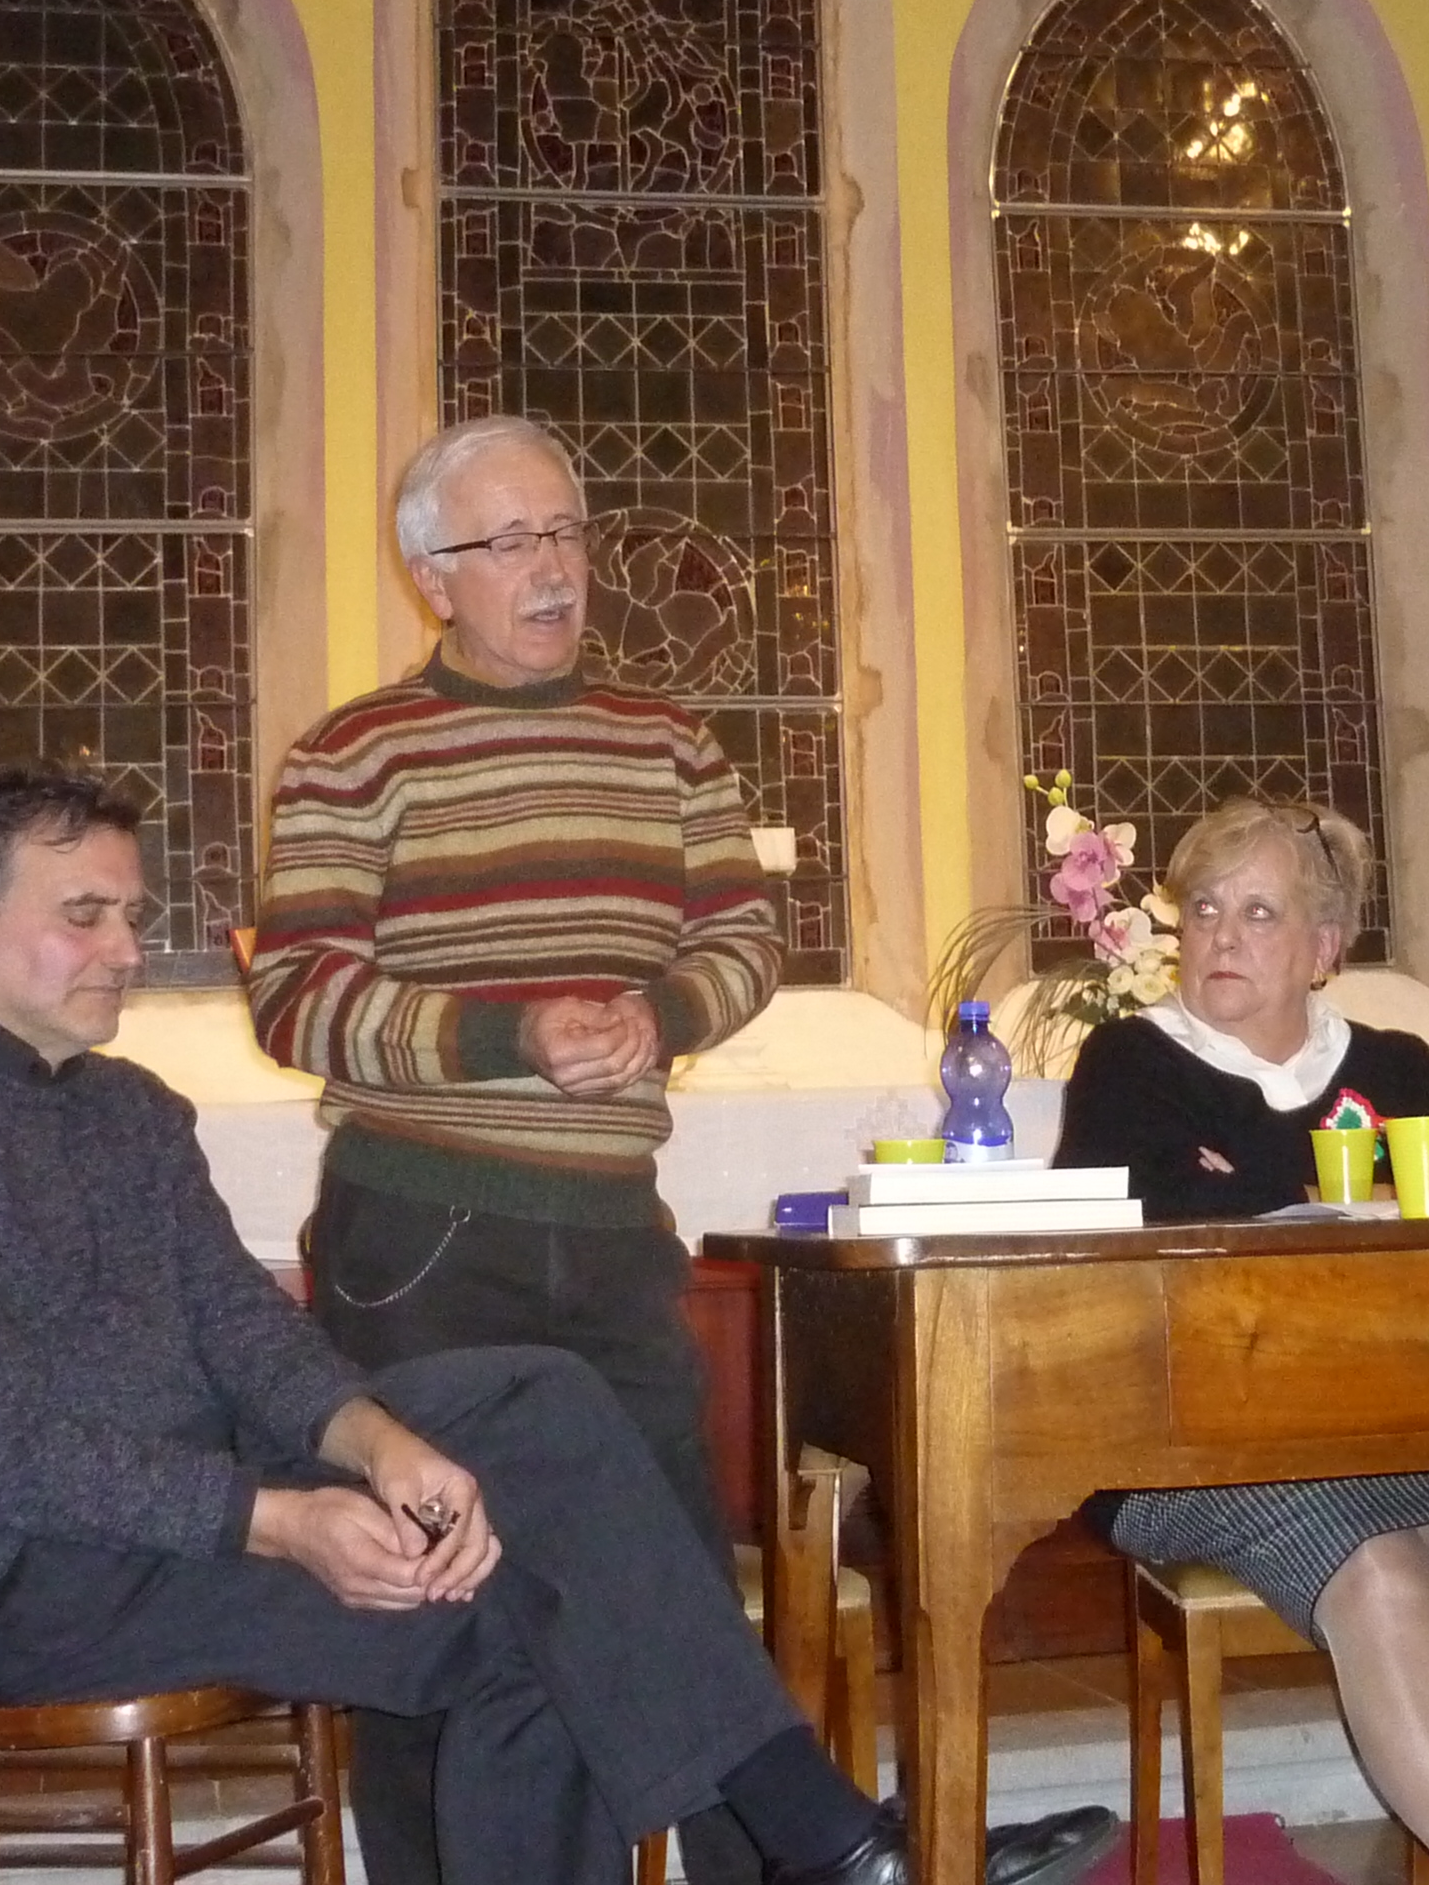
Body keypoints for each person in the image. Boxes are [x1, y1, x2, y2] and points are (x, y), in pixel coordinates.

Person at [0, 766, 940, 1885]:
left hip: (180, 1515)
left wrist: (377, 1444)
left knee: (542, 1397)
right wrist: (280, 1520)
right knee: (532, 1610)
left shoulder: (128, 1112)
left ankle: (816, 1838)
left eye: (132, 916)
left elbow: (244, 1331)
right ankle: (821, 1836)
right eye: (85, 916)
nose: (128, 950)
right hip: (3, 1584)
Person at [248, 418, 1111, 1885]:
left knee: (668, 1586)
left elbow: (743, 936)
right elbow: (298, 996)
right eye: (510, 542)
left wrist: (658, 1015)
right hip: (423, 1240)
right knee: (439, 1600)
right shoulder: (355, 752)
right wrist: (516, 1036)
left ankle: (783, 1865)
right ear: (431, 577)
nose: (554, 567)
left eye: (568, 533)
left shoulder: (667, 741)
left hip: (611, 1233)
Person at [1054, 798, 1429, 1885]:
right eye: (1206, 909)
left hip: (1398, 1422)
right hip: (1190, 1436)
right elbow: (1143, 1226)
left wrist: (1259, 1191)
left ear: (1324, 948)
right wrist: (1344, 1199)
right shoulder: (1129, 1061)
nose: (1222, 935)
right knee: (1378, 1570)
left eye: (1260, 913)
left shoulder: (1402, 1071)